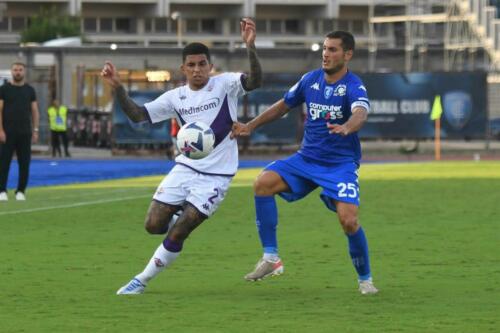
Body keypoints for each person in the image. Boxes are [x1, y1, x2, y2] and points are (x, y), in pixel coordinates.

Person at [101, 18, 262, 295]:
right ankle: (178, 215)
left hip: (217, 176)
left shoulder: (226, 84)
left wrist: (250, 47)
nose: (197, 69)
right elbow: (138, 115)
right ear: (183, 68)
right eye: (192, 65)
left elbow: (256, 81)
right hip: (185, 169)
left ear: (210, 66)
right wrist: (117, 87)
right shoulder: (175, 97)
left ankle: (140, 280)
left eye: (202, 64)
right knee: (153, 226)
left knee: (180, 231)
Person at [231, 31, 378, 295]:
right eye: (324, 48)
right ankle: (271, 258)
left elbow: (361, 112)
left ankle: (365, 280)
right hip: (306, 159)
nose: (326, 54)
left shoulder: (354, 85)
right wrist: (250, 126)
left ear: (347, 55)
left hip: (339, 165)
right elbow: (283, 105)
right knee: (262, 183)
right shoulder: (310, 80)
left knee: (348, 220)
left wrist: (347, 126)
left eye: (333, 49)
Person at [0, 62, 39, 201]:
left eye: (20, 70)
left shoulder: (30, 90)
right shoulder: (4, 89)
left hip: (24, 133)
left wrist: (35, 130)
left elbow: (35, 111)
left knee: (24, 163)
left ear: (24, 72)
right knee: (4, 163)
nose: (18, 72)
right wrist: (1, 130)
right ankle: (2, 191)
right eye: (15, 70)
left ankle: (21, 191)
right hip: (7, 132)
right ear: (11, 72)